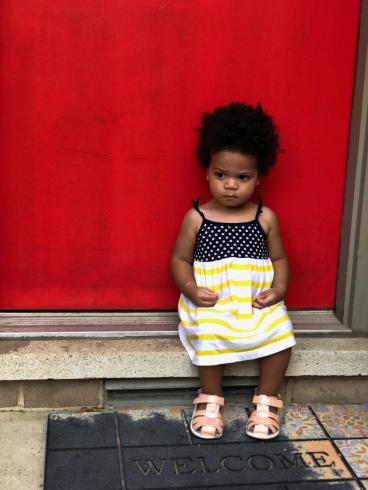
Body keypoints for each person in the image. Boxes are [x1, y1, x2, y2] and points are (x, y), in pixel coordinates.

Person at [171, 102, 296, 440]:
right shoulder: (197, 218)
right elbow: (180, 260)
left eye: (243, 178)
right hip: (214, 302)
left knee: (280, 337)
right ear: (207, 172)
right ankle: (210, 399)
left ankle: (266, 399)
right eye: (221, 175)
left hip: (256, 302)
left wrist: (279, 289)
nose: (230, 185)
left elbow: (280, 259)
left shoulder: (264, 218)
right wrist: (191, 289)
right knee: (207, 333)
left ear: (258, 177)